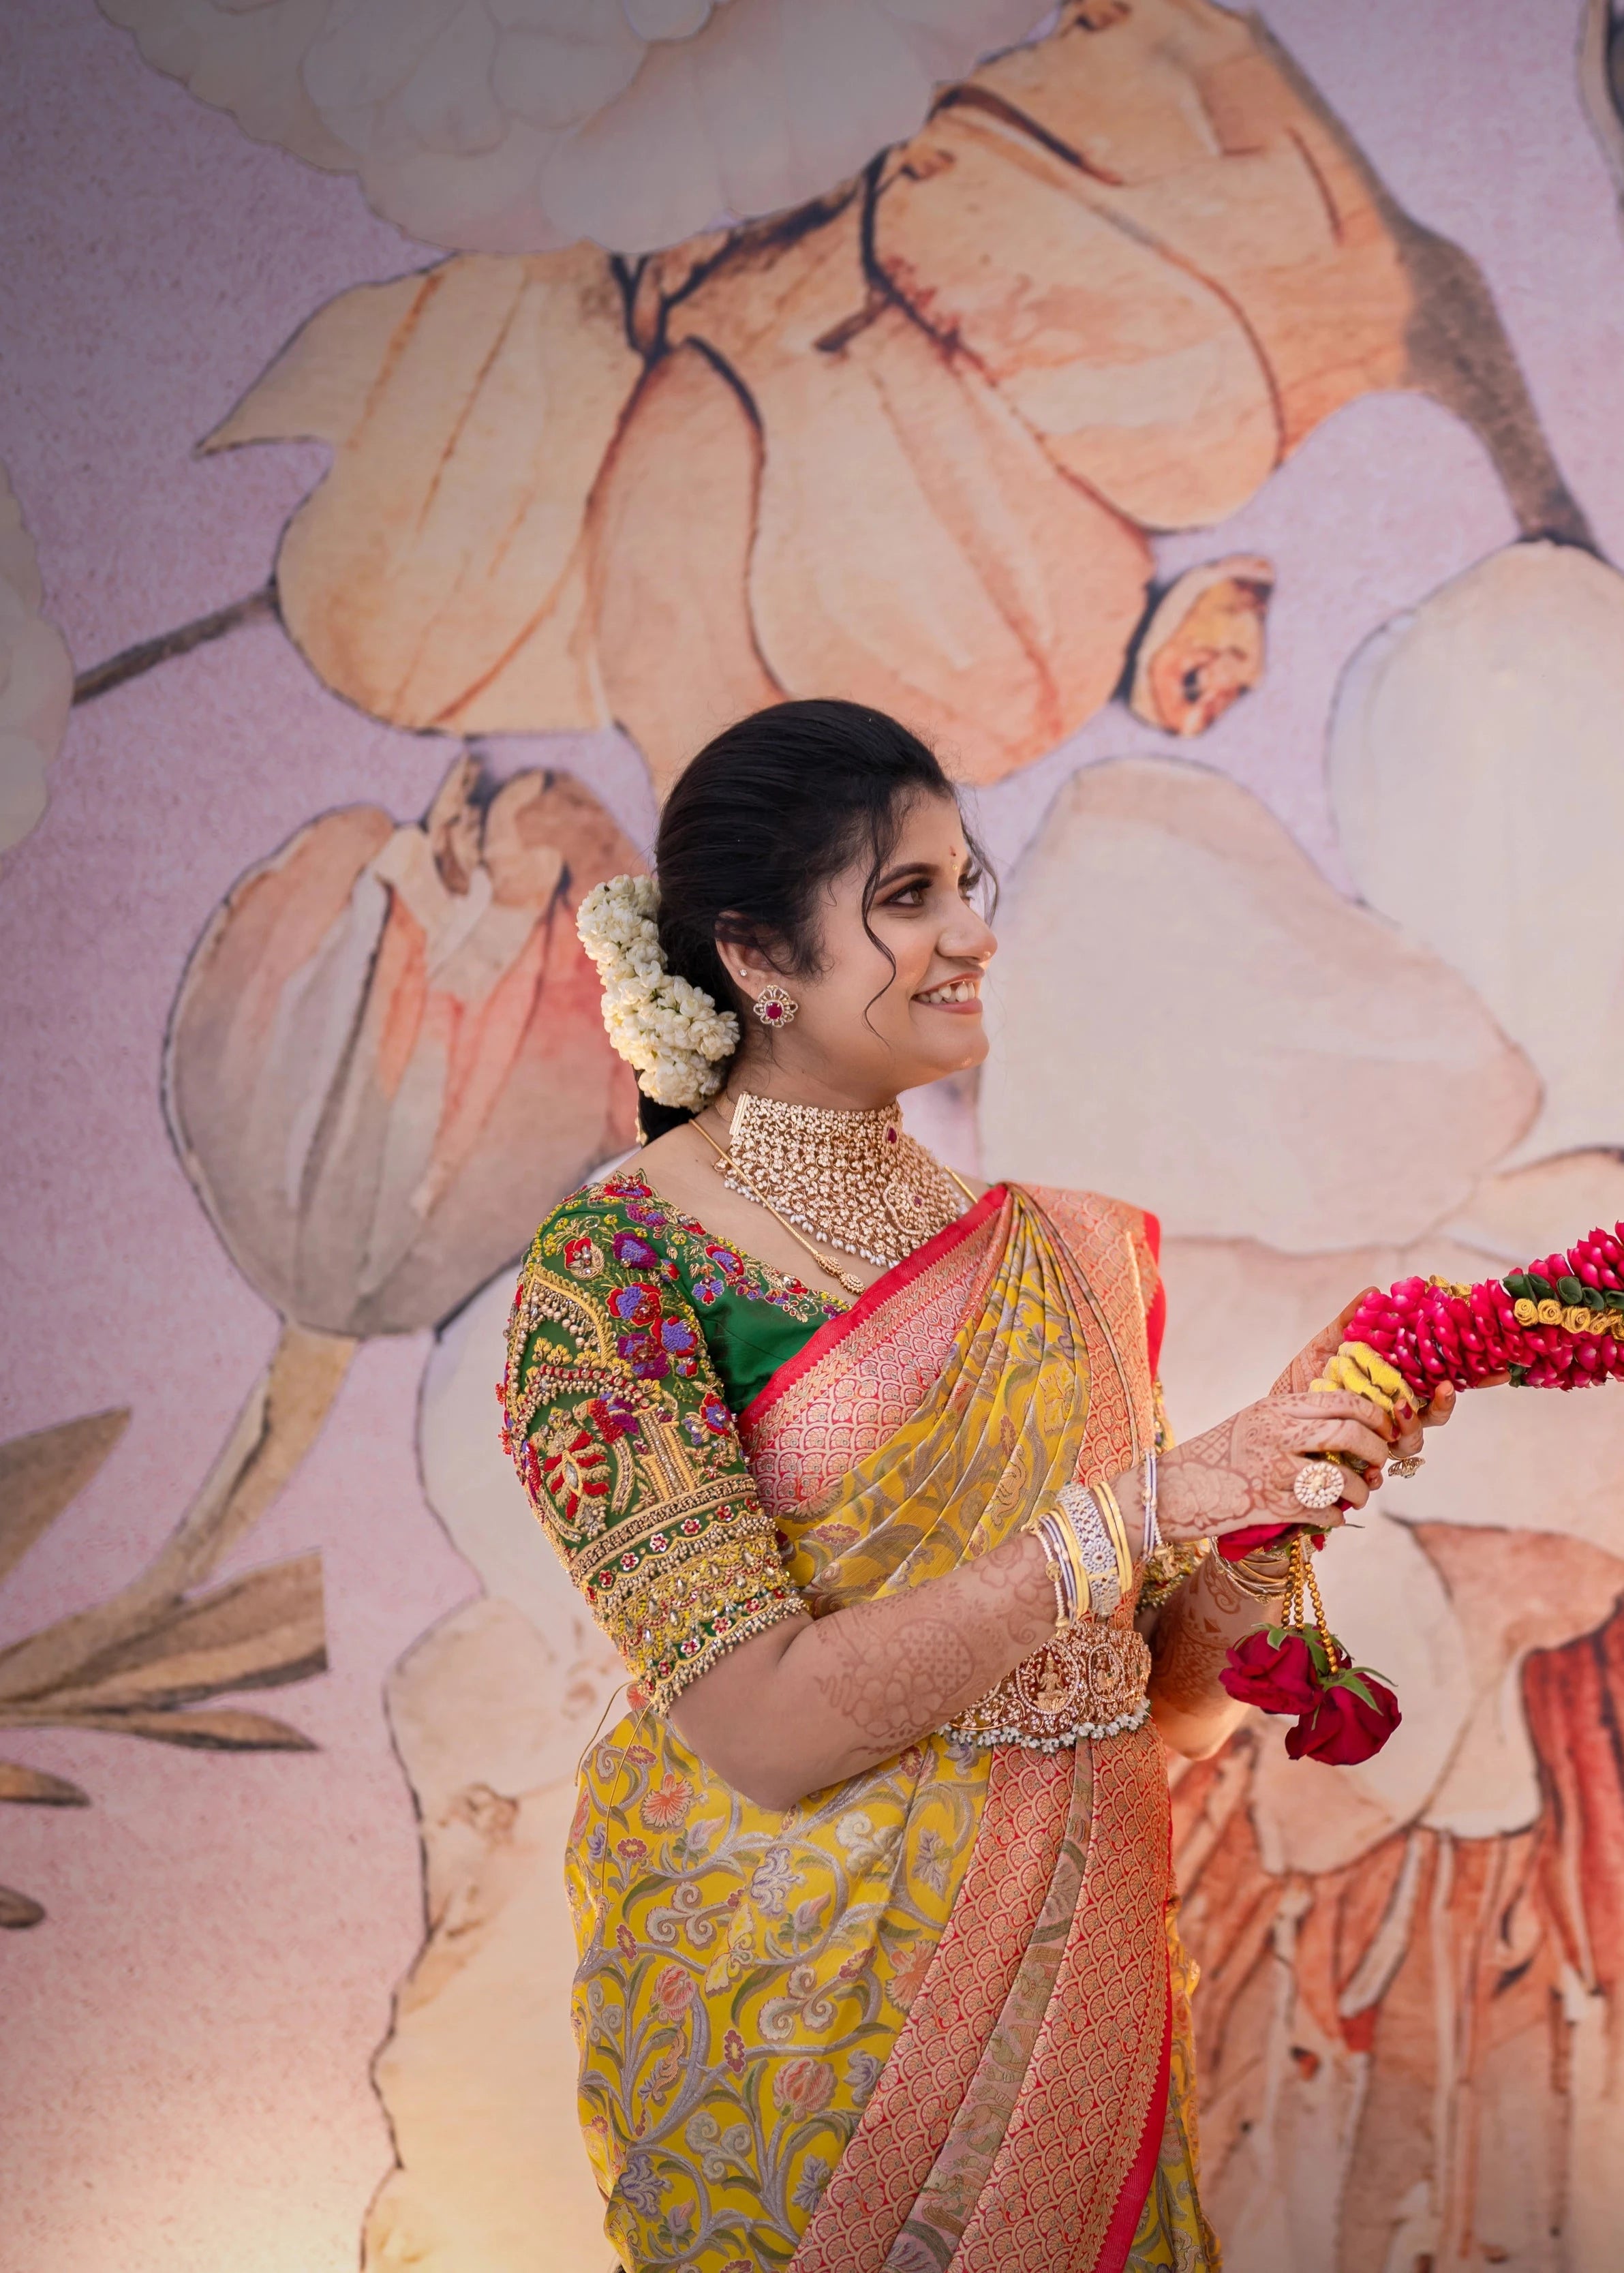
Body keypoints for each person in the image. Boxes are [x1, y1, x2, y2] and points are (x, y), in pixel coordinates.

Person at [500, 700, 1450, 2273]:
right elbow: (764, 1729)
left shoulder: (1064, 1257)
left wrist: (1271, 1503)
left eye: (965, 885)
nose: (968, 936)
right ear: (756, 957)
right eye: (905, 898)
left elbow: (1153, 1710)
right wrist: (1135, 1512)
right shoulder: (620, 1275)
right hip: (797, 2024)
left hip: (1075, 2005)